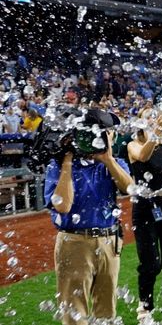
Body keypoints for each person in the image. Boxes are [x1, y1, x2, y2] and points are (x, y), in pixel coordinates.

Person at [43, 108, 134, 325]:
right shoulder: (59, 165)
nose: (106, 138)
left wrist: (108, 159)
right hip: (74, 242)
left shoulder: (113, 164)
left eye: (106, 133)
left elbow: (131, 189)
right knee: (74, 313)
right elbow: (63, 207)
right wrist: (66, 163)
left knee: (107, 312)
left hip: (109, 240)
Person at [128, 112, 162, 321]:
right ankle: (145, 307)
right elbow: (142, 156)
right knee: (150, 262)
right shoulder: (133, 145)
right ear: (141, 123)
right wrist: (157, 131)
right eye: (148, 117)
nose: (153, 119)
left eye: (155, 116)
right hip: (144, 206)